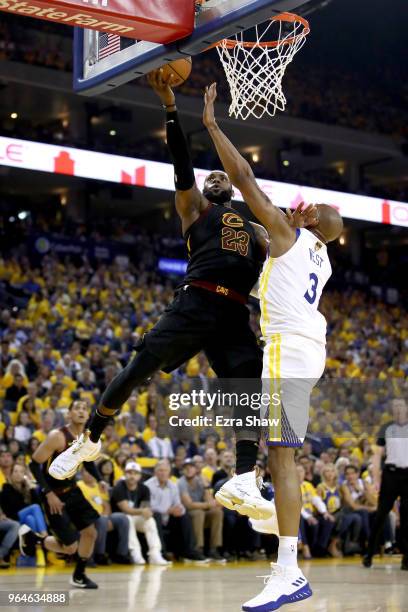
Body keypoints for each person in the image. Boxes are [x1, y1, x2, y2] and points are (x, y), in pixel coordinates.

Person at [48, 69, 309, 523]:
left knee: (247, 392)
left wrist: (301, 231)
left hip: (234, 312)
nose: (213, 178)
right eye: (210, 178)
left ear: (231, 187)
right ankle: (89, 438)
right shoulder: (194, 211)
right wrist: (171, 108)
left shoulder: (256, 229)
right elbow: (181, 165)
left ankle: (245, 476)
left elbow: (286, 259)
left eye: (219, 177)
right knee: (137, 368)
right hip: (196, 300)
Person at [202, 82, 343, 611]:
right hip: (305, 347)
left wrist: (214, 126)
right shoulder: (317, 256)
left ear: (310, 222)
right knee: (282, 452)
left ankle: (288, 570)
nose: (300, 207)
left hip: (288, 347)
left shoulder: (288, 233)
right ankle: (258, 499)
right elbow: (271, 243)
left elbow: (244, 179)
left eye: (309, 208)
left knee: (284, 457)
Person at [29, 400, 101, 588]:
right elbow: (34, 464)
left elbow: (88, 461)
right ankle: (35, 539)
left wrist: (100, 479)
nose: (81, 411)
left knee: (90, 533)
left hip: (73, 491)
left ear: (88, 415)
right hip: (54, 494)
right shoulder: (57, 436)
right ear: (68, 414)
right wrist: (48, 493)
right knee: (70, 547)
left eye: (84, 409)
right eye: (76, 408)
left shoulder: (87, 438)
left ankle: (79, 575)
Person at [363, 398, 408, 571]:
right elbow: (377, 455)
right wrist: (376, 478)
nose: (397, 409)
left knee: (406, 518)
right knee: (381, 514)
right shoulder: (386, 428)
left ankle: (406, 558)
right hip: (390, 474)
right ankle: (369, 554)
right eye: (394, 407)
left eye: (400, 406)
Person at [145, 460, 208, 562]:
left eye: (165, 470)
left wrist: (180, 510)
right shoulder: (147, 486)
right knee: (156, 515)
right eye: (160, 470)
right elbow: (149, 506)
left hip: (169, 518)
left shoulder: (173, 485)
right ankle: (162, 553)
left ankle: (189, 551)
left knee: (184, 515)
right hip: (154, 517)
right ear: (155, 472)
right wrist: (167, 510)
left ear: (169, 472)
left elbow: (178, 504)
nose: (163, 473)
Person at [110, 461, 169, 565]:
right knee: (128, 519)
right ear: (125, 474)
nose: (132, 476)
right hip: (121, 518)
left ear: (140, 476)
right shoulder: (119, 487)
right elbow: (126, 509)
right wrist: (143, 511)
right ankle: (135, 553)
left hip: (136, 517)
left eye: (135, 473)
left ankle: (155, 554)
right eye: (129, 473)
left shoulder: (144, 489)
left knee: (150, 521)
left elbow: (145, 509)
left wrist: (147, 512)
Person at [178, 458, 224, 562]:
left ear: (195, 469)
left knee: (217, 512)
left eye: (191, 467)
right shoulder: (181, 483)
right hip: (186, 515)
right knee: (198, 513)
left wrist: (206, 486)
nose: (189, 470)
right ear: (182, 470)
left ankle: (213, 549)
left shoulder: (199, 481)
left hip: (200, 512)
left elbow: (211, 503)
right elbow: (189, 505)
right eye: (186, 468)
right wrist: (207, 505)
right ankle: (197, 549)